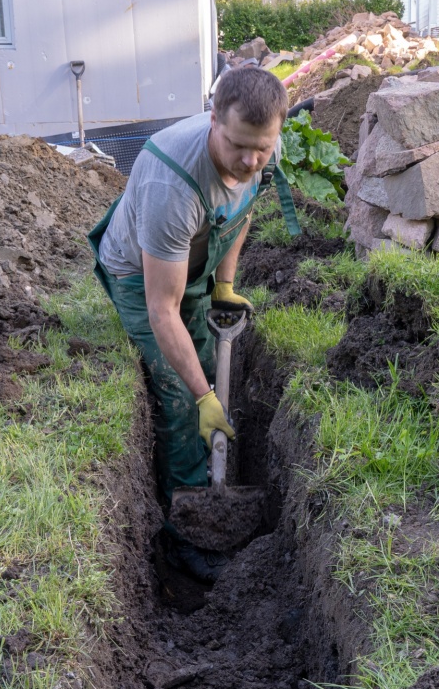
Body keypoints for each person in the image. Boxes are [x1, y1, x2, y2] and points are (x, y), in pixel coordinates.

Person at [85, 67, 299, 581]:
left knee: (201, 360)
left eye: (262, 149)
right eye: (239, 146)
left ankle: (212, 477)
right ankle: (185, 536)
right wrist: (203, 398)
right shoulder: (171, 186)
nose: (251, 160)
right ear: (213, 121)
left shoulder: (262, 146)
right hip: (140, 275)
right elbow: (163, 309)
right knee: (181, 399)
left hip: (198, 255)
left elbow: (241, 212)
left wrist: (223, 285)